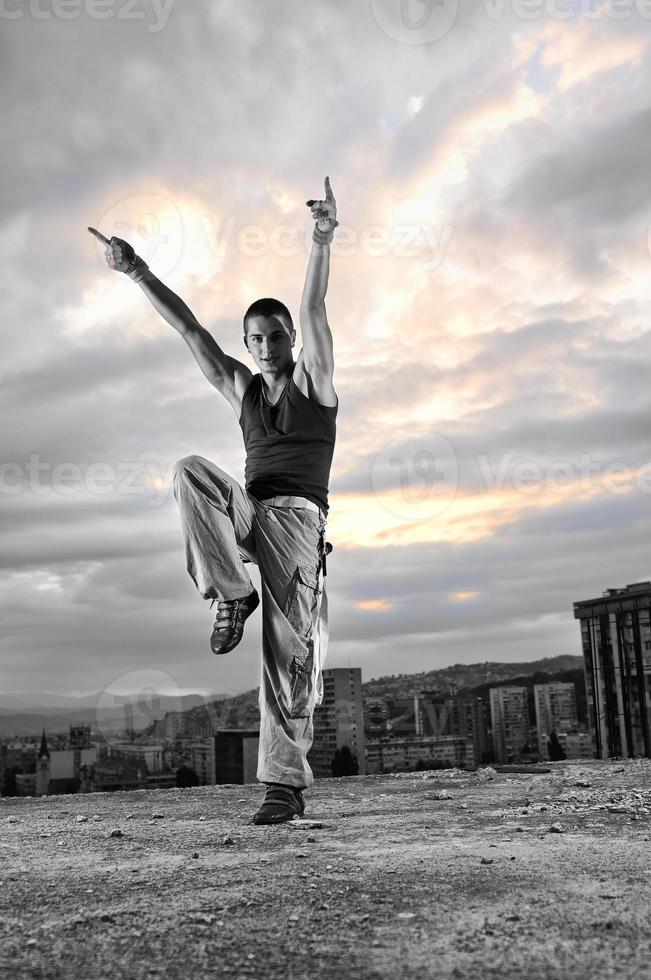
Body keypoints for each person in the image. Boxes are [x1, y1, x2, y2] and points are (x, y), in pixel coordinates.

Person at [88, 177, 339, 824]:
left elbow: (314, 310)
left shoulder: (314, 383)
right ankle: (230, 592)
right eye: (254, 339)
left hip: (299, 530)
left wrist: (320, 237)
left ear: (289, 339)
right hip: (251, 512)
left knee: (288, 658)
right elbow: (190, 331)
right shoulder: (241, 388)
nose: (264, 347)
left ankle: (283, 786)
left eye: (274, 336)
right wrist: (136, 270)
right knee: (190, 472)